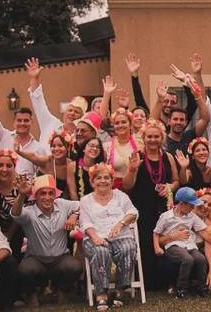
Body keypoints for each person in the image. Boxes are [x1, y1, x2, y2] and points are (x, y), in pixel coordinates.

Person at [122, 119, 178, 291]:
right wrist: (132, 170)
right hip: (143, 207)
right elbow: (127, 185)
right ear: (143, 137)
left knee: (165, 241)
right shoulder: (136, 156)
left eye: (156, 136)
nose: (153, 140)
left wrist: (169, 187)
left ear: (162, 138)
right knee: (146, 243)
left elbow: (176, 181)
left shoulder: (168, 157)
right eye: (149, 136)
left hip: (163, 207)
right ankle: (147, 282)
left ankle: (166, 280)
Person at [11, 174, 81, 306]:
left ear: (55, 195)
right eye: (42, 193)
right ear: (35, 196)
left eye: (51, 193)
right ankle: (31, 293)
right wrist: (21, 195)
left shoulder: (63, 204)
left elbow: (83, 205)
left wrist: (74, 216)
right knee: (25, 270)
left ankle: (62, 290)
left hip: (60, 259)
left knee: (75, 267)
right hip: (37, 260)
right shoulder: (29, 212)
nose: (47, 197)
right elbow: (15, 214)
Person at [79, 163, 139, 311]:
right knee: (101, 251)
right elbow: (85, 223)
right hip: (95, 237)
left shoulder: (120, 195)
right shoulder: (85, 200)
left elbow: (133, 212)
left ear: (112, 181)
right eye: (98, 178)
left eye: (107, 178)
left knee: (129, 247)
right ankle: (101, 294)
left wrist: (121, 223)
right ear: (92, 181)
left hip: (120, 237)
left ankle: (120, 290)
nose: (103, 181)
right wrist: (95, 238)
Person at [153, 186, 209, 298]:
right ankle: (181, 289)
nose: (193, 207)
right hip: (173, 246)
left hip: (189, 245)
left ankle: (200, 287)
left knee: (201, 259)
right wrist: (157, 248)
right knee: (187, 259)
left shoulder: (192, 216)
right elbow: (156, 233)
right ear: (182, 203)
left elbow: (204, 232)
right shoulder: (166, 217)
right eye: (191, 204)